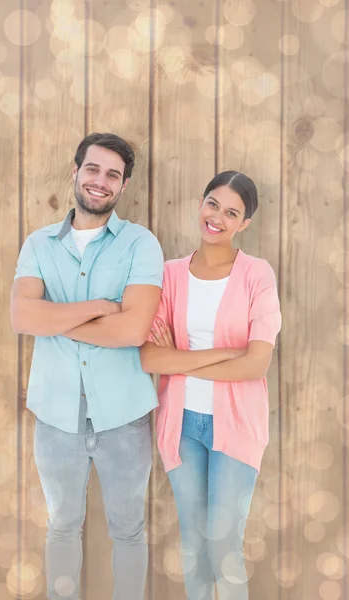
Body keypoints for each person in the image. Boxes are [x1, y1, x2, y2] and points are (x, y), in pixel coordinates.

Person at [11, 132, 164, 600]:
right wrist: (101, 306)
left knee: (129, 529)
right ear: (76, 172)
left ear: (123, 186)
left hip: (125, 415)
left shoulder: (141, 244)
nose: (101, 181)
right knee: (61, 527)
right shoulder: (38, 244)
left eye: (113, 175)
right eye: (93, 169)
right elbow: (22, 317)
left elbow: (133, 331)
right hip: (56, 415)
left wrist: (54, 320)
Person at [140, 171, 282, 600]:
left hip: (237, 427)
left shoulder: (257, 274)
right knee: (194, 547)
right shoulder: (169, 274)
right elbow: (149, 357)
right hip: (181, 426)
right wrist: (224, 355)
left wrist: (179, 363)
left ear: (244, 224)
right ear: (201, 204)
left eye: (232, 212)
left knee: (223, 547)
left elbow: (256, 365)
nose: (217, 217)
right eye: (212, 204)